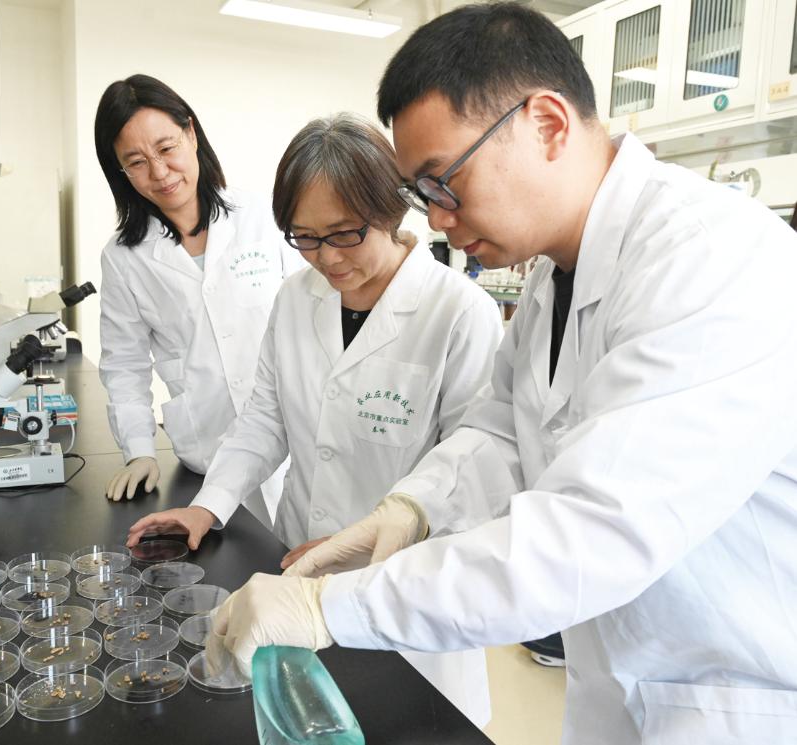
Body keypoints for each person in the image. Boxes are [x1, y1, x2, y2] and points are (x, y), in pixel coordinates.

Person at [206, 5, 797, 745]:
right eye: (423, 194)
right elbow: (502, 429)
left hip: (739, 698)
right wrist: (411, 507)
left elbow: (588, 533)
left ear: (546, 124)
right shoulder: (556, 274)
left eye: (443, 182)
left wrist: (329, 607)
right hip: (627, 685)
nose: (436, 219)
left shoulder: (711, 261)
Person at [127, 113, 502, 723]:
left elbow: (474, 474)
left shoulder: (458, 312)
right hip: (296, 565)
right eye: (304, 237)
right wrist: (209, 505)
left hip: (405, 592)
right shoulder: (297, 298)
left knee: (400, 722)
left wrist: (373, 538)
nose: (326, 258)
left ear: (392, 209)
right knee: (305, 722)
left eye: (344, 234)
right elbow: (265, 419)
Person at [94, 75, 303, 525]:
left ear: (190, 133)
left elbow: (315, 317)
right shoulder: (124, 258)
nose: (160, 172)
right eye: (137, 162)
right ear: (121, 171)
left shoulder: (263, 217)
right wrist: (139, 451)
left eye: (166, 148)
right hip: (207, 451)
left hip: (293, 441)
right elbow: (125, 365)